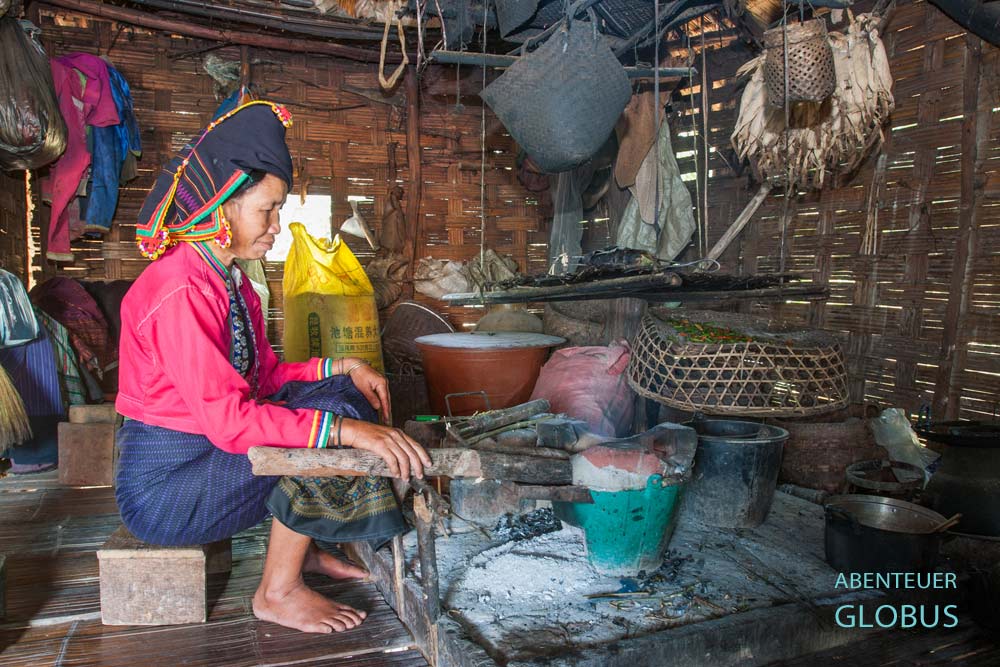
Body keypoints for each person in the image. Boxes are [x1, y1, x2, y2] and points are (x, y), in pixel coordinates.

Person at [115, 101, 431, 634]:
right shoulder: (179, 289)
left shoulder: (232, 281)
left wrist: (341, 365)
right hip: (167, 490)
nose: (277, 227)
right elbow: (233, 422)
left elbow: (261, 381)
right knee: (330, 429)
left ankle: (302, 548)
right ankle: (276, 591)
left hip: (210, 460)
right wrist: (349, 432)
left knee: (340, 393)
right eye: (268, 210)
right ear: (222, 208)